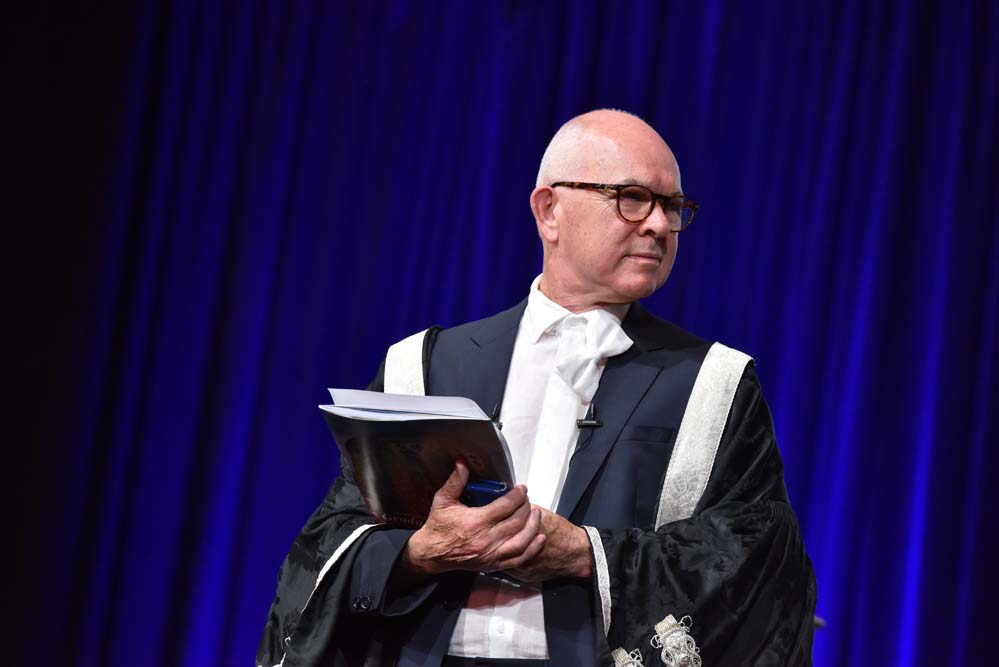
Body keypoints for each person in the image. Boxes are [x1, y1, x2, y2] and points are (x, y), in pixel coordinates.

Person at [257, 109, 816, 667]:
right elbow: (331, 541)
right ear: (550, 211)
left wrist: (586, 554)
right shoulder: (424, 366)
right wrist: (423, 551)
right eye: (632, 198)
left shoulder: (713, 385)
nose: (659, 225)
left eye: (672, 207)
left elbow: (759, 557)